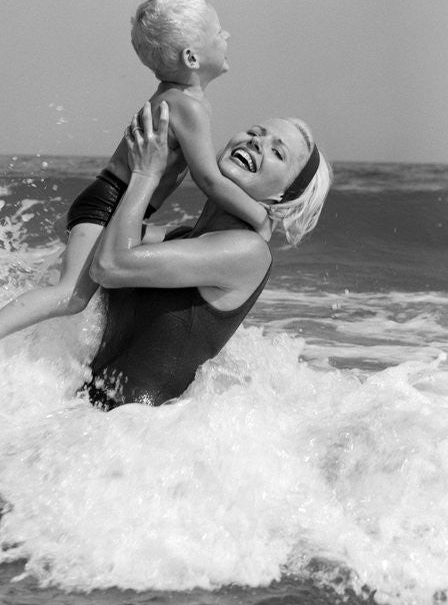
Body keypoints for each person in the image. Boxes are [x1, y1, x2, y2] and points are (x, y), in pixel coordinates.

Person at [0, 0, 270, 352]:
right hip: (108, 204)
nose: (227, 37)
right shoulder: (187, 107)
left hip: (108, 202)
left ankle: (27, 354)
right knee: (71, 296)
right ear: (192, 57)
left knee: (76, 294)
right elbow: (208, 178)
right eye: (219, 32)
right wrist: (259, 214)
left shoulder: (174, 99)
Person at [80, 100, 331, 409]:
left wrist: (146, 175)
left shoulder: (249, 252)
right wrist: (146, 171)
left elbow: (110, 266)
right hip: (85, 421)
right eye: (255, 132)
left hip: (131, 435)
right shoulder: (181, 238)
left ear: (282, 197)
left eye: (278, 152)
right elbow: (80, 233)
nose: (257, 142)